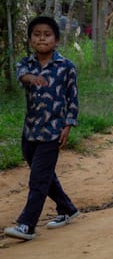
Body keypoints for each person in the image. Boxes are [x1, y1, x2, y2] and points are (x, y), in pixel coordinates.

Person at [4, 16, 80, 241]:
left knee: (38, 178)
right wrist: (31, 78)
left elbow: (72, 98)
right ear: (30, 40)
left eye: (47, 34)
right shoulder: (26, 64)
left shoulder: (66, 67)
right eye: (36, 34)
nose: (41, 38)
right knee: (45, 175)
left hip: (53, 131)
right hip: (30, 131)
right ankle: (67, 208)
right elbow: (21, 75)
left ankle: (27, 225)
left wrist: (68, 125)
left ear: (56, 40)